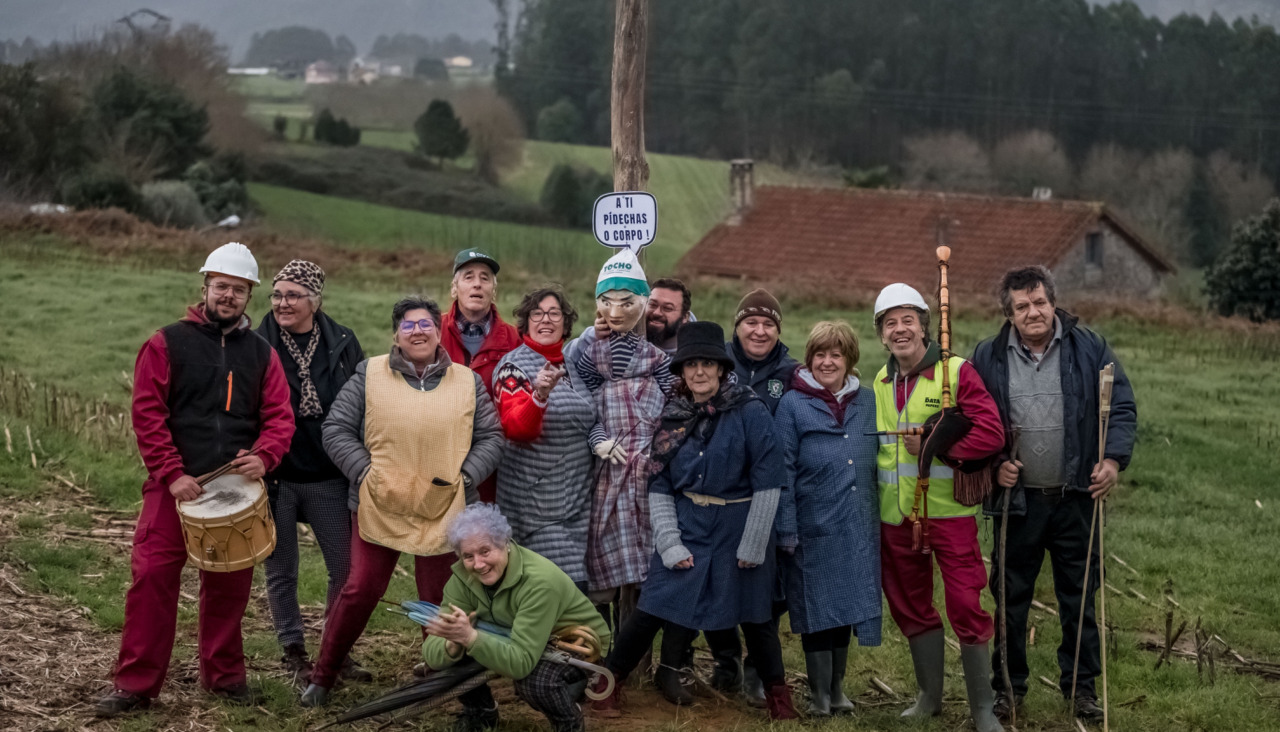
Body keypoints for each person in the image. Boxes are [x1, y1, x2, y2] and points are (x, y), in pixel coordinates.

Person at [97, 242, 296, 717]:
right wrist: (171, 474)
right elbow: (147, 414)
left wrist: (265, 456)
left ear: (249, 296)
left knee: (229, 583)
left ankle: (224, 676)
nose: (228, 295)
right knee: (152, 579)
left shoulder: (263, 354)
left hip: (234, 490)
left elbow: (280, 417)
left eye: (239, 289)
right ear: (205, 286)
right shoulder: (166, 343)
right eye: (221, 286)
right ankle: (136, 685)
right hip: (174, 488)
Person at [300, 296, 504, 707]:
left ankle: (443, 681)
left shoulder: (466, 381)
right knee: (360, 589)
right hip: (379, 502)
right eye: (408, 325)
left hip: (443, 505)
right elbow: (337, 429)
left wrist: (464, 477)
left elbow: (491, 437)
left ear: (438, 329)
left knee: (438, 598)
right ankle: (324, 676)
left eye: (425, 323)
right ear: (396, 334)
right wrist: (365, 472)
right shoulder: (369, 374)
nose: (417, 331)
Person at [592, 321, 798, 721]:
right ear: (682, 371)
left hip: (740, 524)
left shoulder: (750, 411)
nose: (699, 372)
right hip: (687, 523)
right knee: (653, 607)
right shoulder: (674, 417)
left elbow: (769, 481)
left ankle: (778, 697)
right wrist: (669, 542)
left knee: (756, 616)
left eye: (707, 364)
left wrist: (754, 543)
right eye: (690, 365)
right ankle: (608, 683)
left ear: (721, 369)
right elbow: (660, 483)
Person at [969, 266, 1137, 723]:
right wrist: (992, 465)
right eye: (1022, 306)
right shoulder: (987, 357)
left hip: (1076, 496)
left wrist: (1112, 461)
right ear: (1009, 313)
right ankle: (1008, 688)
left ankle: (1081, 689)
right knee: (1010, 599)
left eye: (1039, 302)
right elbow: (970, 420)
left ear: (1053, 303)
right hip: (1017, 502)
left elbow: (1120, 406)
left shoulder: (1089, 348)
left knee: (1079, 597)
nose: (1033, 312)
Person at [872, 283, 1005, 732]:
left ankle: (983, 709)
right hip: (898, 516)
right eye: (890, 323)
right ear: (881, 335)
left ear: (925, 326)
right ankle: (929, 697)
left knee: (966, 603)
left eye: (908, 319)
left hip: (949, 516)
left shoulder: (956, 373)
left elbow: (990, 434)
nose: (900, 329)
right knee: (909, 605)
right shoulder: (880, 381)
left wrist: (935, 446)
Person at [255, 260, 367, 683]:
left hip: (328, 473)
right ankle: (293, 650)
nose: (283, 303)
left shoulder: (341, 341)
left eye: (293, 295)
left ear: (315, 300)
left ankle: (334, 650)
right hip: (277, 475)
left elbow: (360, 403)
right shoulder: (257, 342)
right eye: (278, 295)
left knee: (345, 567)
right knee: (282, 568)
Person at [422, 503, 612, 732]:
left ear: (505, 544)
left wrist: (471, 638)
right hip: (514, 634)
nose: (478, 564)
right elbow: (432, 654)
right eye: (468, 556)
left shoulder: (539, 581)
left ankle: (569, 723)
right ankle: (480, 713)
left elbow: (521, 664)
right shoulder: (460, 580)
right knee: (453, 654)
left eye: (485, 551)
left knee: (535, 682)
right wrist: (452, 643)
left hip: (579, 642)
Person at [773, 321, 881, 716]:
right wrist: (786, 526)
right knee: (815, 608)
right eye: (820, 354)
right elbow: (781, 470)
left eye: (836, 354)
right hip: (811, 527)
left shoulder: (867, 402)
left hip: (856, 525)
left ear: (850, 359)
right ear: (810, 359)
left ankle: (838, 690)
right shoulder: (792, 404)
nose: (827, 361)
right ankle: (819, 694)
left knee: (846, 605)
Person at [576, 250, 677, 606]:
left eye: (626, 303)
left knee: (647, 556)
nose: (616, 312)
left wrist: (662, 447)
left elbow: (674, 406)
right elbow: (582, 401)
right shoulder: (590, 355)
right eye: (607, 303)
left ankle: (633, 642)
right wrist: (596, 436)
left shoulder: (658, 361)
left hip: (645, 470)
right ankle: (597, 640)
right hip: (604, 472)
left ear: (642, 302)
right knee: (600, 562)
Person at [713, 287, 799, 700]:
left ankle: (756, 667)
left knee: (770, 585)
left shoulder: (792, 373)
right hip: (720, 491)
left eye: (768, 324)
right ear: (738, 325)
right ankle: (725, 657)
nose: (759, 331)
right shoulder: (717, 362)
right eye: (751, 322)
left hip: (769, 490)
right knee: (717, 578)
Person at [492, 286, 595, 590]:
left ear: (566, 321)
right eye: (537, 313)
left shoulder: (572, 365)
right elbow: (516, 429)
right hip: (538, 506)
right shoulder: (514, 367)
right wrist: (538, 395)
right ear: (525, 322)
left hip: (578, 500)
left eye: (554, 313)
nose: (545, 320)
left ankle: (594, 640)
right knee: (560, 589)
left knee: (579, 593)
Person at [440, 247, 521, 505]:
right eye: (468, 277)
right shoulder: (431, 331)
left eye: (485, 278)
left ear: (493, 291)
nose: (477, 284)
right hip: (440, 451)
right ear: (454, 288)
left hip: (493, 461)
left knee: (483, 535)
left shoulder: (513, 340)